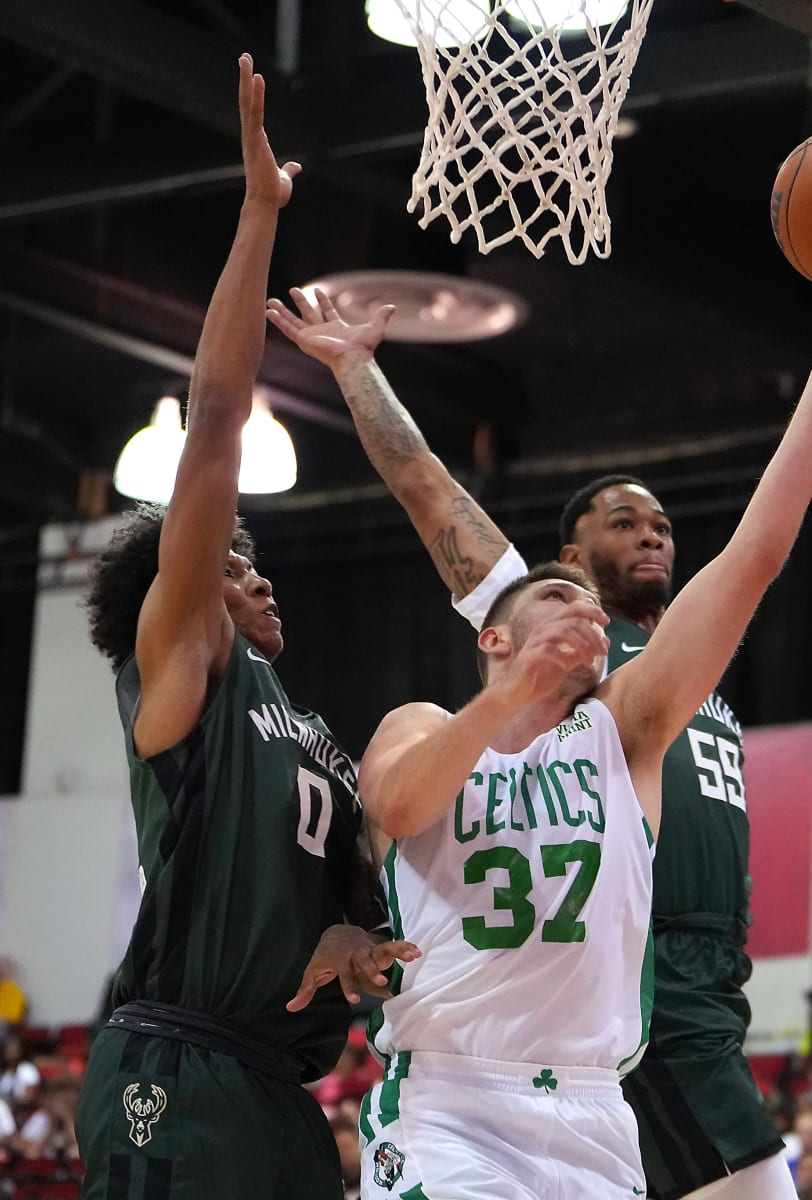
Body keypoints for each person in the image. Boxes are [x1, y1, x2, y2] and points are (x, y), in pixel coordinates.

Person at [268, 231, 812, 1200]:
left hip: (592, 1107)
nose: (583, 612)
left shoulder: (629, 722)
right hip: (453, 1098)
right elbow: (401, 801)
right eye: (557, 597)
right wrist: (359, 373)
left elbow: (754, 557)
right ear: (492, 632)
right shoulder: (424, 718)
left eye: (590, 609)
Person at [74, 56, 417, 1200]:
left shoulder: (309, 729)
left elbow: (338, 909)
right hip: (176, 1062)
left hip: (281, 1086)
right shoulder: (179, 668)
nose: (254, 569)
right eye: (231, 559)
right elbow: (216, 425)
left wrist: (356, 946)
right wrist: (261, 213)